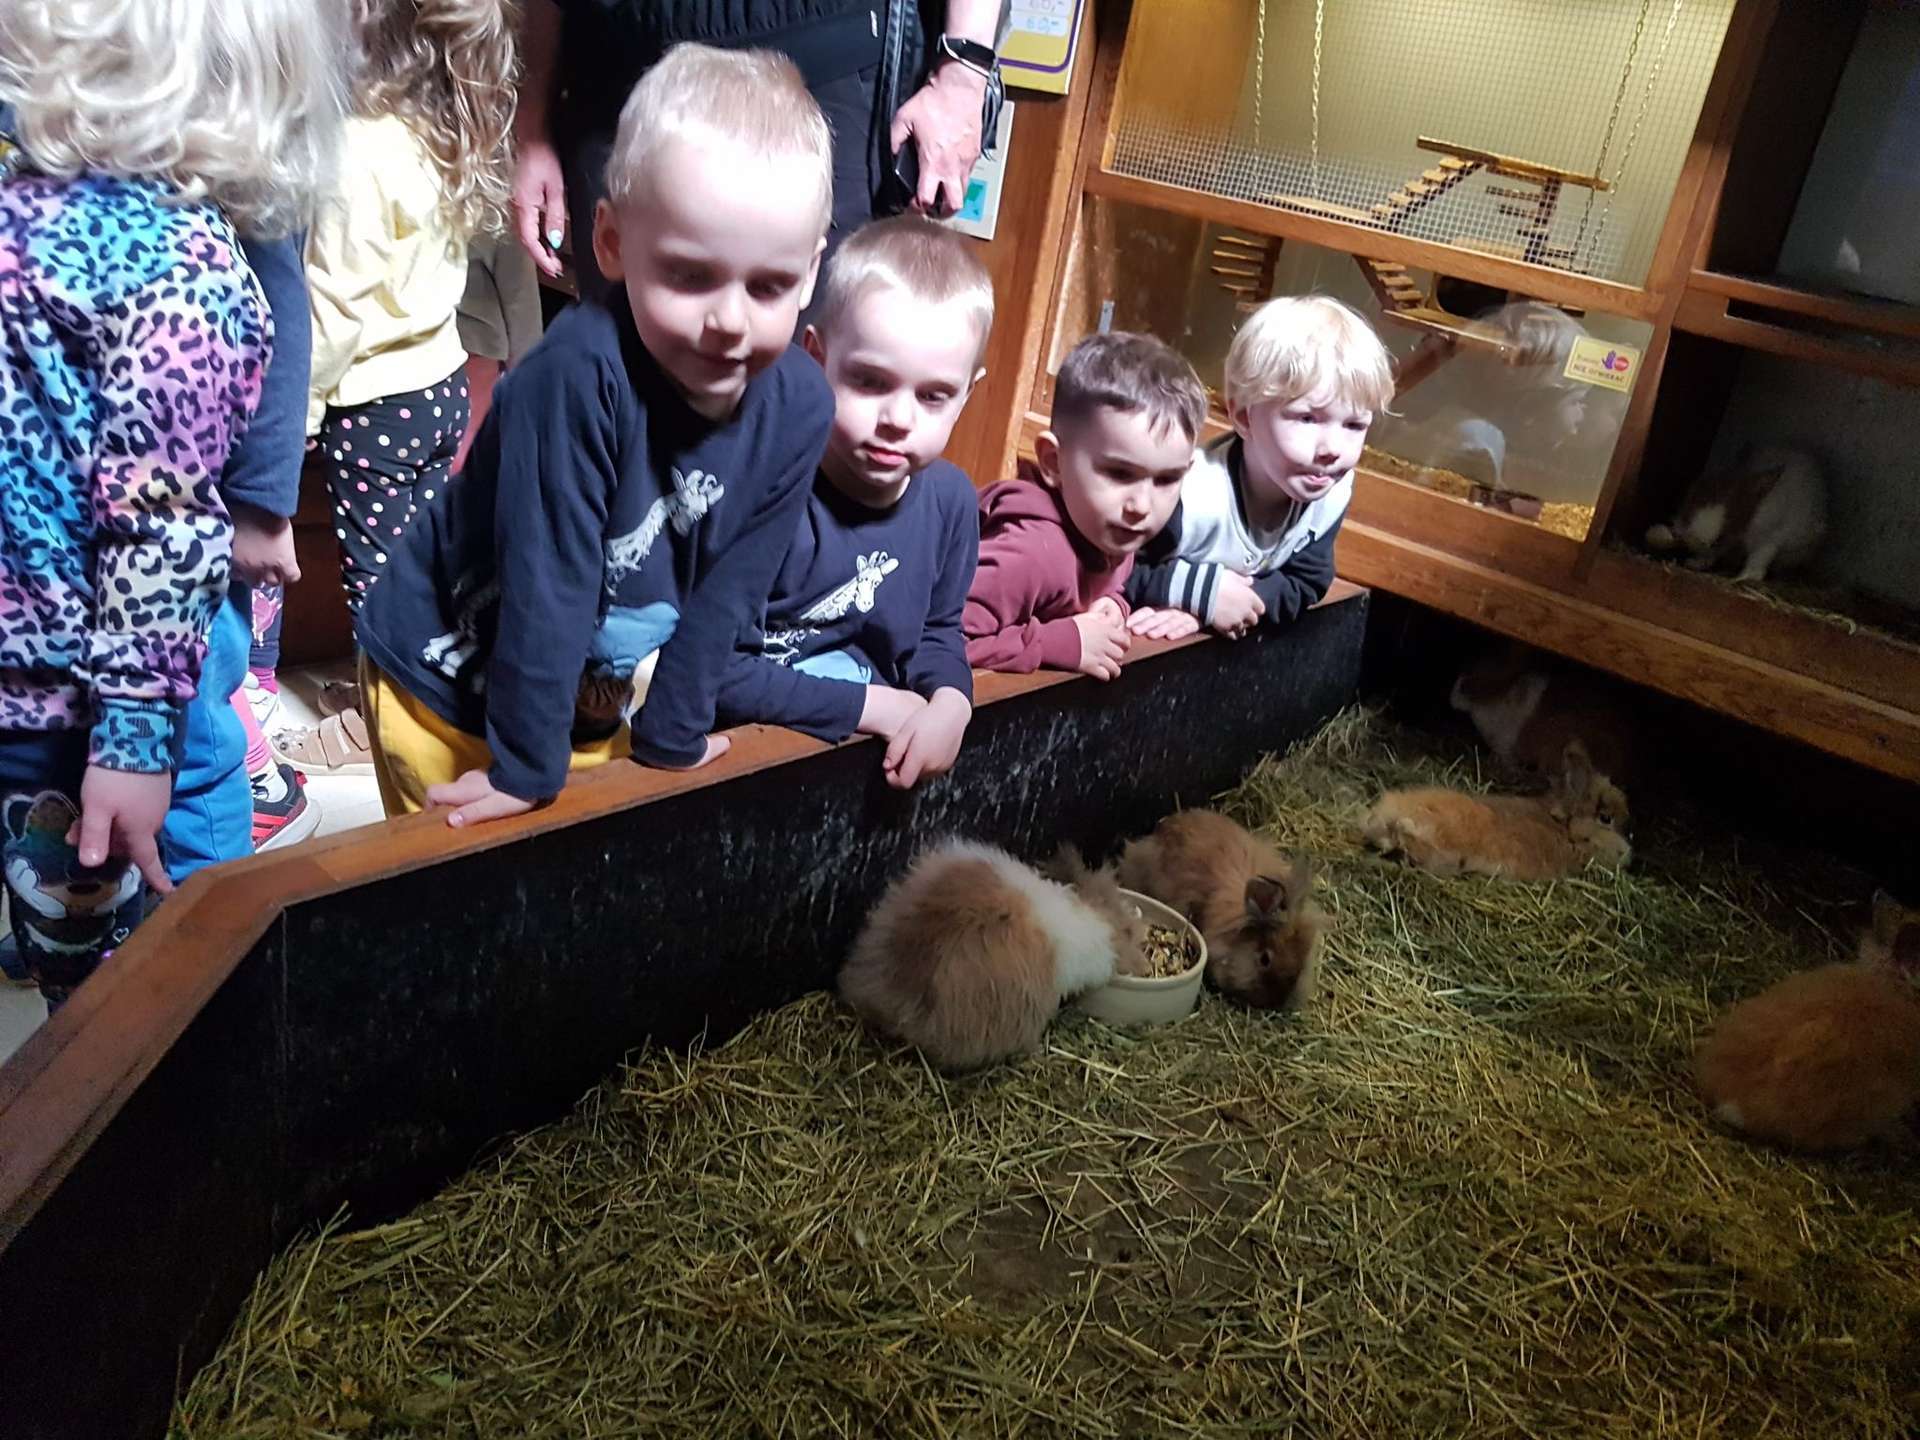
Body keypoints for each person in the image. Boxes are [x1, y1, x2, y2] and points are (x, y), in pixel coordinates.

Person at [353, 44, 836, 827]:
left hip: (572, 699)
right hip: (439, 682)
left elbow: (731, 593)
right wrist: (526, 768)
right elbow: (551, 576)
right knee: (444, 882)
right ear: (610, 242)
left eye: (770, 286)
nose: (729, 321)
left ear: (810, 272)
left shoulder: (804, 409)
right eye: (690, 275)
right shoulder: (576, 373)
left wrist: (675, 731)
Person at [0, 0, 343, 1003]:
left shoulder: (184, 278)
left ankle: (166, 1005)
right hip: (29, 659)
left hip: (79, 690)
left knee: (107, 986)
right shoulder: (29, 209)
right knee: (58, 904)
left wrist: (132, 746)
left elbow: (158, 532)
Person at [718, 215, 991, 789]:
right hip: (742, 758)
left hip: (853, 766)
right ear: (816, 359)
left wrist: (952, 701)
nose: (898, 418)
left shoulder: (951, 503)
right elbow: (715, 671)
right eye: (870, 381)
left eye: (934, 396)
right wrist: (875, 707)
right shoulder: (764, 489)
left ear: (968, 395)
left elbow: (938, 632)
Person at [510, 0, 1005, 295]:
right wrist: (532, 123)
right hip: (613, 78)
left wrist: (963, 76)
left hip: (827, 68)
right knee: (616, 386)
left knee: (805, 387)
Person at [1126, 296, 1394, 640]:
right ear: (1243, 416)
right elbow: (1112, 568)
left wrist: (1234, 604)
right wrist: (1202, 593)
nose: (1333, 449)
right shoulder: (1188, 495)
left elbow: (1307, 580)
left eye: (1354, 425)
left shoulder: (1331, 493)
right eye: (1307, 418)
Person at [963, 333, 1207, 678]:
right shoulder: (1030, 555)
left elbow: (1106, 585)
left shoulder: (1110, 530)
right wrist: (1055, 643)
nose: (1141, 506)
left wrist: (1113, 605)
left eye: (1167, 479)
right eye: (1119, 473)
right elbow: (930, 640)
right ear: (1053, 462)